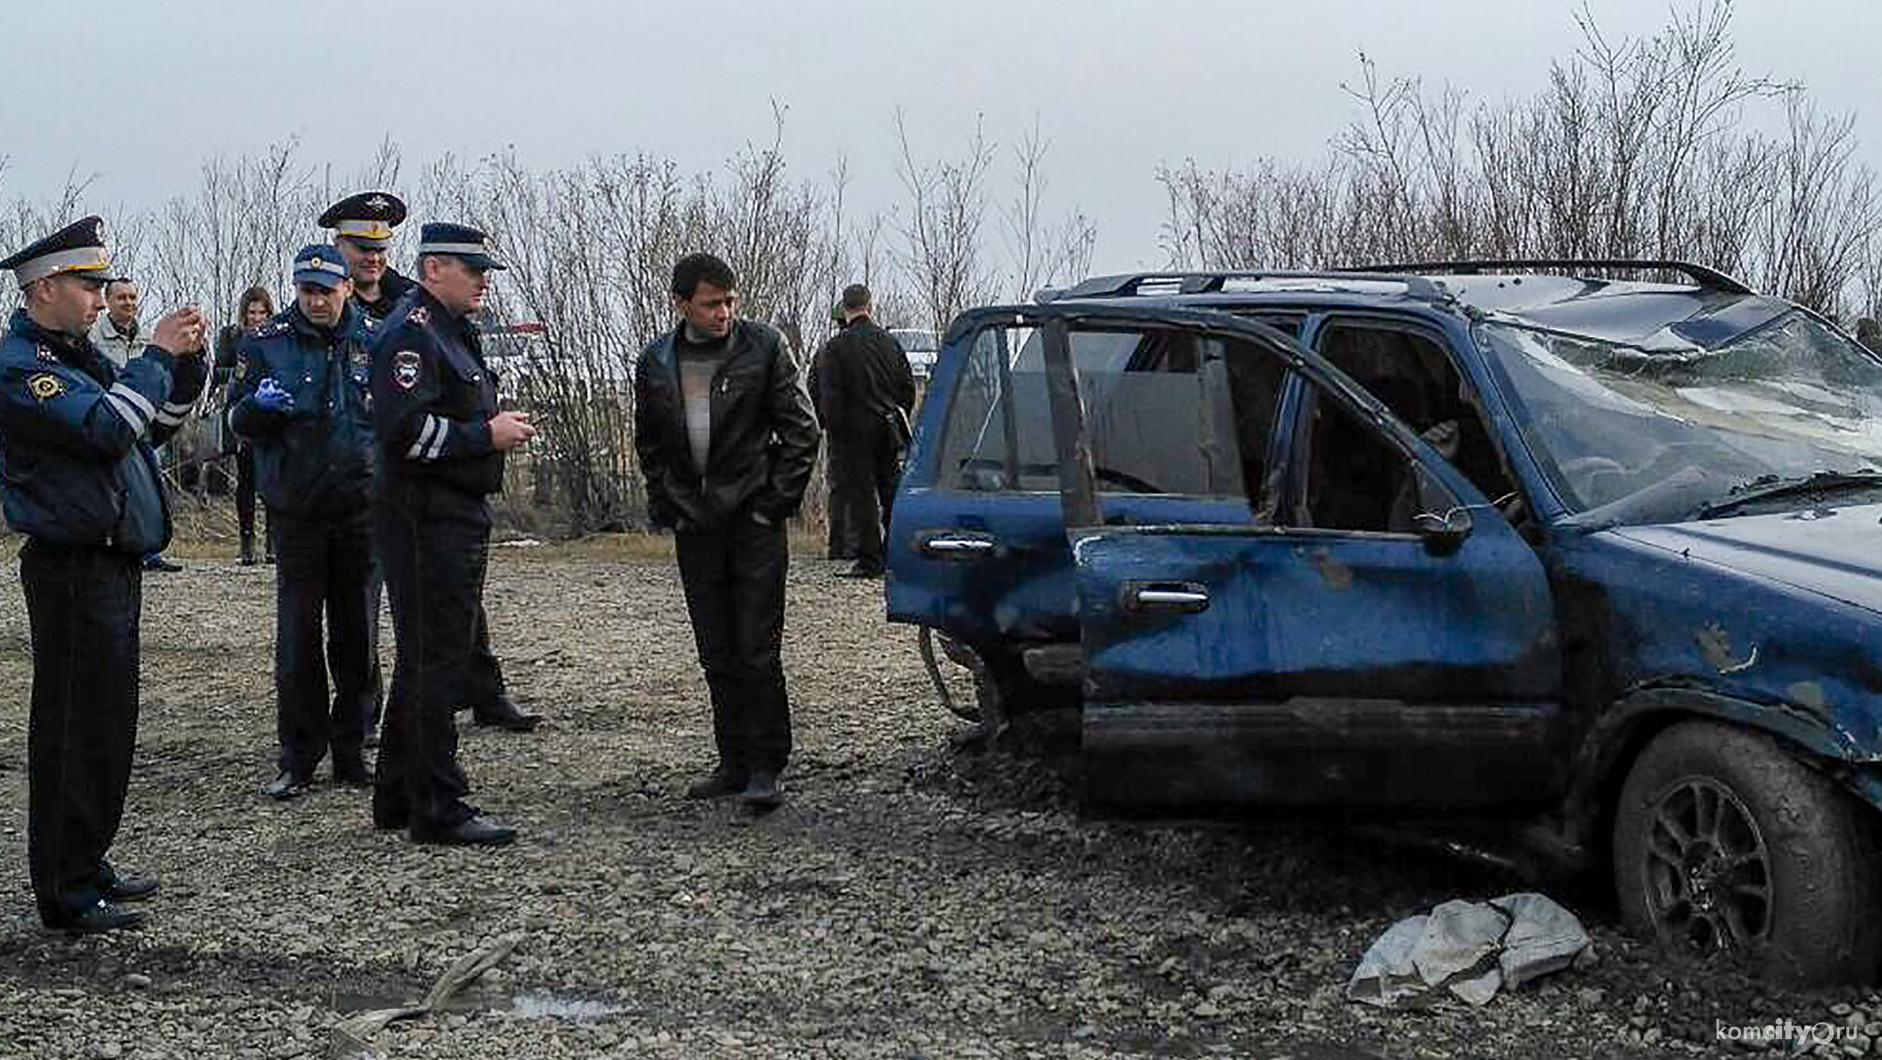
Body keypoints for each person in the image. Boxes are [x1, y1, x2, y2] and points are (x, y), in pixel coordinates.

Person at [0, 216, 207, 932]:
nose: (100, 298)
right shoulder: (24, 366)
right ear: (46, 286)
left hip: (111, 561)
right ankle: (65, 886)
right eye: (88, 287)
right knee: (71, 728)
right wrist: (154, 354)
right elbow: (107, 429)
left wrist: (184, 369)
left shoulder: (76, 355)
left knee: (108, 726)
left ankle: (88, 860)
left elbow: (148, 428)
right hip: (71, 565)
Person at [369, 222, 537, 846]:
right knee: (436, 662)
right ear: (434, 268)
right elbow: (402, 432)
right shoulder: (412, 336)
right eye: (473, 269)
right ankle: (438, 803)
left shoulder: (450, 330)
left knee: (427, 656)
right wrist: (482, 436)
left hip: (451, 513)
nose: (484, 280)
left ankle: (396, 791)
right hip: (425, 516)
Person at [633, 253, 820, 807]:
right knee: (715, 648)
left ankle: (767, 763)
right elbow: (649, 443)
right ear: (682, 303)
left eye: (730, 302)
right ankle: (732, 759)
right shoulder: (656, 361)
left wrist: (772, 505)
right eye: (713, 303)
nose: (724, 313)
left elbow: (801, 432)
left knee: (756, 646)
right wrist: (669, 503)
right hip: (697, 523)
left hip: (753, 521)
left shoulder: (763, 347)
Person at [227, 246, 379, 800]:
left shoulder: (375, 338)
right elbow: (235, 417)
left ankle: (352, 747)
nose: (315, 300)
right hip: (297, 510)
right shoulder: (266, 344)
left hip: (360, 508)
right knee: (298, 636)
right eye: (305, 289)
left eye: (325, 289)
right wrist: (258, 410)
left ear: (345, 287)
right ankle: (298, 755)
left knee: (357, 634)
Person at [813, 284, 915, 578]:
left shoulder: (836, 347)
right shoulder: (890, 343)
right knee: (890, 491)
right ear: (869, 305)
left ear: (845, 308)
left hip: (851, 431)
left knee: (860, 495)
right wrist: (898, 416)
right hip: (888, 427)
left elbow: (830, 395)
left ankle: (869, 559)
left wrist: (831, 427)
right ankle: (896, 552)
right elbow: (907, 388)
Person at [91, 277, 183, 573]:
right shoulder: (93, 338)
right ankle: (119, 545)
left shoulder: (148, 339)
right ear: (108, 301)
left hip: (147, 424)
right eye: (122, 298)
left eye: (132, 297)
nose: (129, 303)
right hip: (112, 423)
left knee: (150, 484)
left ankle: (150, 549)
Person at [215, 286, 276, 565]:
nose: (256, 318)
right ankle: (246, 541)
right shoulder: (232, 337)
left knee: (272, 480)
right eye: (251, 313)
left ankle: (273, 543)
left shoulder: (278, 337)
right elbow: (219, 372)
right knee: (247, 480)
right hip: (241, 409)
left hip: (272, 413)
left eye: (261, 313)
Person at [319, 191, 416, 323]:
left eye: (380, 249)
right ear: (337, 246)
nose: (373, 258)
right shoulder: (318, 302)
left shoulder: (416, 300)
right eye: (363, 249)